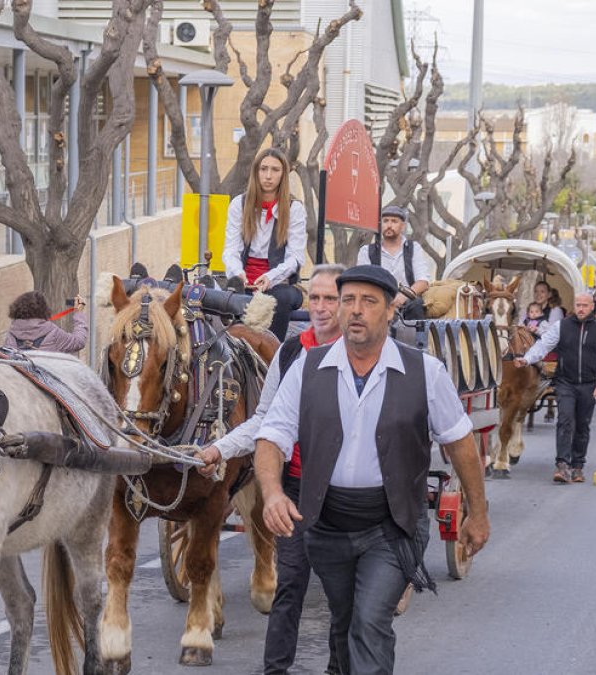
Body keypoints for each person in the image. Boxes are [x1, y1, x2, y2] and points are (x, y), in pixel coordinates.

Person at [254, 265, 489, 675]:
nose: (355, 310)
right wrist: (273, 492)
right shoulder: (307, 369)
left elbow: (461, 444)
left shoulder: (424, 372)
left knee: (369, 620)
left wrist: (479, 513)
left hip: (393, 524)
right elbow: (271, 436)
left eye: (368, 301)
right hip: (326, 525)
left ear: (388, 312)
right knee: (344, 621)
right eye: (348, 301)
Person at [196, 264, 344, 675]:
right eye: (314, 298)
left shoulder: (363, 350)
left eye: (330, 298)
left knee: (342, 594)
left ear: (348, 303)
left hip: (349, 493)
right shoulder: (292, 352)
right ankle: (275, 670)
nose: (319, 306)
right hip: (297, 487)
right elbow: (266, 419)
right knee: (290, 585)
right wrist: (218, 449)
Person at [515, 293, 596, 483]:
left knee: (582, 425)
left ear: (592, 307)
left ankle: (577, 466)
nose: (581, 308)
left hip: (589, 383)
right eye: (578, 305)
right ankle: (562, 465)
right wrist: (527, 359)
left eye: (585, 305)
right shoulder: (562, 326)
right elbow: (543, 345)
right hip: (565, 382)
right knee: (565, 420)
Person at [222, 148, 307, 342]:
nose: (268, 176)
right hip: (244, 279)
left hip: (279, 282)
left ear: (283, 174)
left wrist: (270, 277)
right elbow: (230, 250)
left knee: (280, 298)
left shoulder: (295, 208)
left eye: (275, 170)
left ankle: (272, 351)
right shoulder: (239, 204)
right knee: (225, 298)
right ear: (256, 172)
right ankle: (234, 348)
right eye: (264, 169)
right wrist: (237, 273)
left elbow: (295, 257)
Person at [356, 205, 431, 319]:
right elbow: (363, 282)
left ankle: (416, 337)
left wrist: (403, 297)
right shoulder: (366, 251)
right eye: (385, 221)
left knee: (417, 305)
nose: (389, 225)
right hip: (377, 301)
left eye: (394, 221)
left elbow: (423, 282)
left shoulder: (413, 248)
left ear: (403, 226)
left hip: (407, 303)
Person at [3, 291, 88, 355]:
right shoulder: (53, 333)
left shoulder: (11, 335)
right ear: (44, 310)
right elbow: (79, 341)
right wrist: (78, 313)